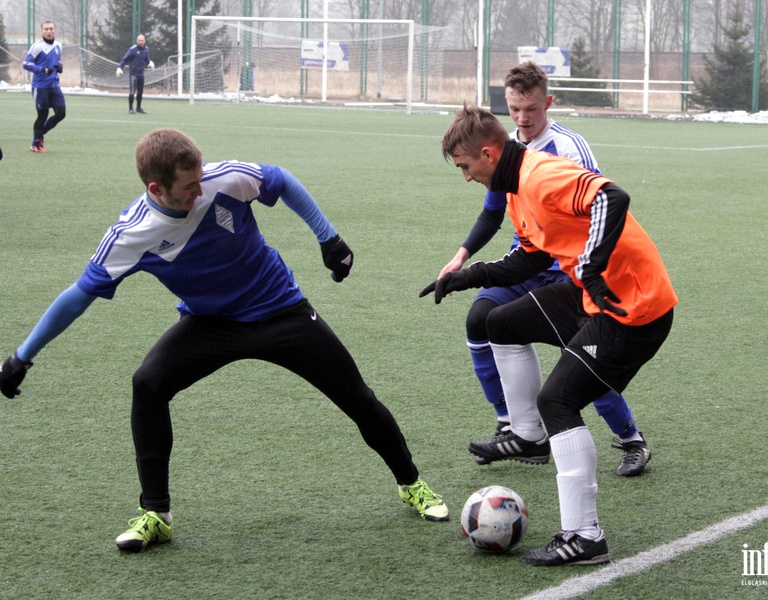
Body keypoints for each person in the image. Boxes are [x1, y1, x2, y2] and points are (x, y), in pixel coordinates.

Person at [0, 128, 449, 552]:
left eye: (199, 179)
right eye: (188, 186)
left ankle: (412, 483)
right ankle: (155, 514)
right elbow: (77, 297)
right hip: (210, 324)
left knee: (355, 395)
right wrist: (23, 356)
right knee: (148, 384)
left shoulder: (224, 179)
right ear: (156, 189)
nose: (199, 190)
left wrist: (328, 237)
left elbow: (281, 180)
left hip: (281, 310)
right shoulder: (131, 234)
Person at [421, 106, 677, 566]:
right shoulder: (517, 189)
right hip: (592, 298)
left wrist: (594, 265)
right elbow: (532, 260)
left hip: (632, 310)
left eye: (465, 167)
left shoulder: (540, 175)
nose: (465, 177)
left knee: (557, 401)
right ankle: (528, 436)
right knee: (497, 320)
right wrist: (467, 276)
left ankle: (585, 537)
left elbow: (611, 198)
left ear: (487, 152)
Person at [435, 62, 651, 477]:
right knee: (482, 319)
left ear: (546, 102)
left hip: (568, 269)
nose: (522, 118)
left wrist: (590, 269)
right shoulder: (502, 151)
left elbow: (602, 207)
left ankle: (630, 438)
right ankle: (514, 426)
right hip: (529, 262)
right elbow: (492, 214)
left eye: (530, 109)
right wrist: (463, 258)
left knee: (581, 355)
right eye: (514, 109)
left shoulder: (565, 149)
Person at [23, 21, 66, 153]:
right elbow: (26, 64)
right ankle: (36, 144)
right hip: (40, 86)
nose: (49, 31)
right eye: (46, 29)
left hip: (54, 85)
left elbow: (56, 61)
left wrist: (60, 66)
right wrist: (41, 69)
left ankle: (40, 135)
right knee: (43, 115)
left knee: (61, 114)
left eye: (51, 29)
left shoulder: (59, 45)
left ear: (54, 30)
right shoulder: (37, 47)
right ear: (42, 31)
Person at [116, 34, 154, 114]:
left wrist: (150, 62)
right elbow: (125, 59)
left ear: (145, 41)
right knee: (132, 91)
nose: (140, 42)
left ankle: (138, 108)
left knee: (140, 92)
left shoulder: (146, 49)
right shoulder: (132, 49)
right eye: (139, 40)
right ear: (137, 41)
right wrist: (120, 67)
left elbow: (147, 58)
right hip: (133, 74)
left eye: (142, 40)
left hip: (141, 74)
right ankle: (130, 108)